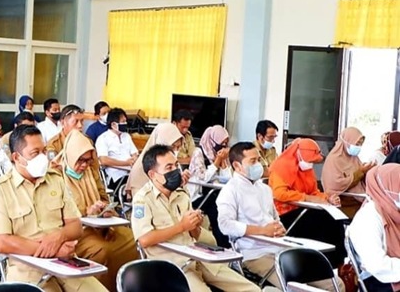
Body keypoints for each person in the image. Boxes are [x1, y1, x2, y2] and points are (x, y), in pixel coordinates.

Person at [0, 126, 106, 292]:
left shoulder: (55, 179)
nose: (42, 158)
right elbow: (1, 242)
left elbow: (76, 226)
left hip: (65, 264)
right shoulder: (1, 189)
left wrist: (60, 236)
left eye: (43, 151)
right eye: (35, 153)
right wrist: (54, 250)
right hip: (27, 268)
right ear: (17, 157)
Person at [132, 144, 260, 292]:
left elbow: (197, 235)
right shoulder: (143, 199)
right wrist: (181, 227)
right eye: (168, 168)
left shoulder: (181, 193)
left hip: (198, 258)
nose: (175, 171)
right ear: (153, 174)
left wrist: (195, 226)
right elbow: (144, 239)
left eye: (176, 165)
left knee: (251, 289)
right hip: (173, 265)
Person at [218, 142, 343, 291]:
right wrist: (262, 231)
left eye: (259, 160)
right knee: (298, 288)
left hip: (280, 247)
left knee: (337, 284)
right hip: (255, 254)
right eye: (253, 161)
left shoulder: (264, 189)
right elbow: (225, 224)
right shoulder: (230, 190)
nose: (259, 164)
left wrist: (279, 228)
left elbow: (275, 218)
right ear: (237, 166)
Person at [60, 130, 137, 290]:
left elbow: (103, 197)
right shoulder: (57, 177)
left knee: (133, 239)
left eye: (88, 161)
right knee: (102, 251)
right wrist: (86, 213)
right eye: (80, 160)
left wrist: (104, 208)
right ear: (71, 156)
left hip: (101, 226)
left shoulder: (91, 172)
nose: (84, 165)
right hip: (76, 232)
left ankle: (125, 286)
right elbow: (58, 215)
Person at [269, 138, 347, 268]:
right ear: (298, 154)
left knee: (334, 219)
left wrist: (328, 198)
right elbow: (279, 194)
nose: (311, 164)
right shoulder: (281, 167)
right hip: (286, 214)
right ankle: (319, 263)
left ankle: (336, 262)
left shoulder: (305, 168)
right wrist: (306, 198)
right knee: (320, 221)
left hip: (304, 209)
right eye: (310, 160)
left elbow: (314, 191)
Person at [350, 163, 400, 292]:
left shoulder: (395, 211)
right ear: (386, 188)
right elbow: (377, 265)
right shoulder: (368, 218)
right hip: (381, 280)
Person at [322, 127, 374, 218]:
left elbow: (360, 179)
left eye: (360, 144)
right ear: (347, 141)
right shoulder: (334, 159)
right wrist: (360, 171)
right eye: (356, 144)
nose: (358, 147)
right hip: (342, 202)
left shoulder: (354, 158)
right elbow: (335, 185)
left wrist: (368, 171)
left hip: (357, 199)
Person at [126, 122, 185, 195]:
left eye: (178, 147)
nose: (175, 151)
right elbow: (140, 202)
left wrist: (182, 183)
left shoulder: (175, 165)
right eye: (172, 146)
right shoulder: (139, 171)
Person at [96, 107, 138, 187]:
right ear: (113, 124)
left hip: (131, 172)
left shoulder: (126, 136)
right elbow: (104, 160)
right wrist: (125, 163)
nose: (125, 124)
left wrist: (133, 160)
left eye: (125, 121)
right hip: (116, 175)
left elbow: (134, 153)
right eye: (123, 122)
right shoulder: (103, 138)